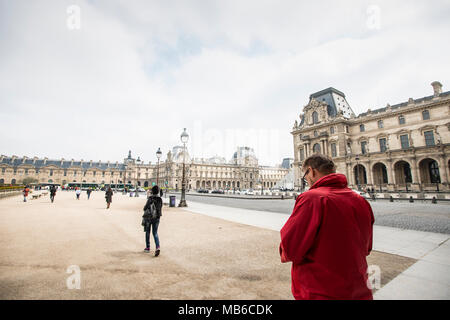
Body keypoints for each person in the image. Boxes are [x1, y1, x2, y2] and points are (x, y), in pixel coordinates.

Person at [279, 154, 375, 300]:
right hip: (359, 288)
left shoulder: (312, 198)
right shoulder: (360, 200)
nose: (307, 181)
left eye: (305, 176)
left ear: (311, 171)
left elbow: (290, 248)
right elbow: (367, 247)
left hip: (321, 289)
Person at [143, 185, 163, 256]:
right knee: (155, 233)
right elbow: (160, 209)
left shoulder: (150, 198)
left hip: (149, 218)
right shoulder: (160, 199)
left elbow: (145, 208)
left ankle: (148, 247)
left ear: (152, 191)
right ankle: (157, 247)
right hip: (157, 218)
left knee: (148, 232)